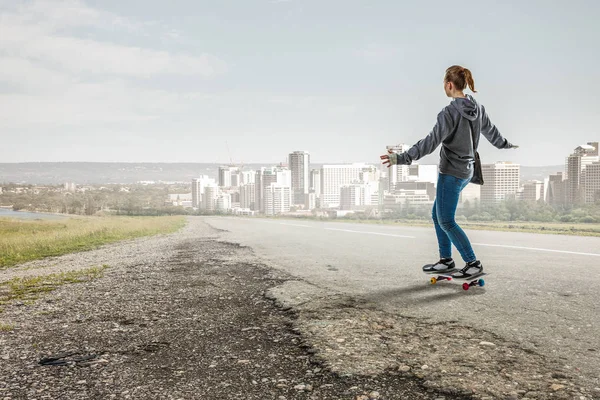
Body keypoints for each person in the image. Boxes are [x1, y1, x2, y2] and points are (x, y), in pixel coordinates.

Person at [380, 65, 518, 279]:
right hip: (467, 171)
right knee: (437, 216)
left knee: (446, 220)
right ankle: (446, 260)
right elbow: (492, 132)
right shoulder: (477, 108)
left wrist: (402, 158)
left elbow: (430, 142)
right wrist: (506, 144)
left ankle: (473, 262)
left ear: (449, 85)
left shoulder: (449, 112)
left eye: (444, 84)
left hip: (451, 173)